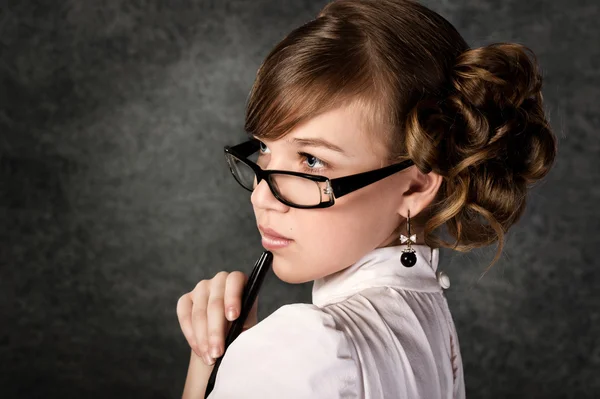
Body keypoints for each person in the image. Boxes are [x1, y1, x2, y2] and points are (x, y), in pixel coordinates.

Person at [176, 0, 557, 397]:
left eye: (312, 160)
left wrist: (210, 362)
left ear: (414, 187)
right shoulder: (424, 316)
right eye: (264, 148)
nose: (261, 196)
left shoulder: (299, 350)